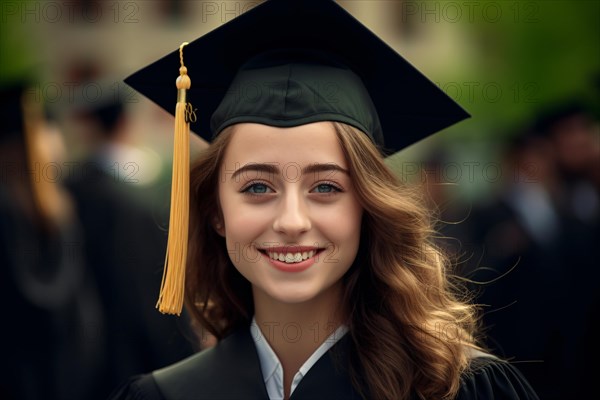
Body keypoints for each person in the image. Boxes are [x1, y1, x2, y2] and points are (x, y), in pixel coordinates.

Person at [110, 0, 539, 399]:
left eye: (326, 188)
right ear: (215, 212)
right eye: (257, 187)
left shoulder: (456, 388)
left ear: (368, 207)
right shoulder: (165, 395)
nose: (292, 221)